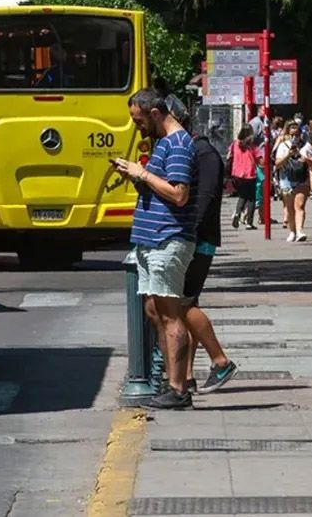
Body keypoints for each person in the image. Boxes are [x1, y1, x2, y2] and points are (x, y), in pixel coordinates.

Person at [111, 89, 198, 410]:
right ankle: (170, 380)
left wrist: (143, 173)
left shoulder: (177, 145)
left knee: (171, 314)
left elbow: (179, 195)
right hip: (153, 240)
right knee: (153, 310)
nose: (137, 127)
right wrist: (138, 177)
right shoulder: (165, 144)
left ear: (156, 113)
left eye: (138, 119)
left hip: (168, 238)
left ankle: (178, 387)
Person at [178, 101, 241, 394]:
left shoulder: (204, 154)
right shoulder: (200, 152)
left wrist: (187, 235)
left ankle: (220, 360)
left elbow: (203, 200)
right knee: (187, 305)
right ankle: (187, 375)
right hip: (196, 239)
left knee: (184, 304)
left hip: (198, 241)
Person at [274, 120, 312, 242]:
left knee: (299, 206)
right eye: (292, 135)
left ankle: (300, 231)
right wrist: (288, 155)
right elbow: (277, 164)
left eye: (297, 134)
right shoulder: (283, 146)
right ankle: (293, 231)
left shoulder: (306, 146)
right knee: (290, 208)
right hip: (286, 179)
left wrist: (304, 159)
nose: (295, 137)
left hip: (302, 179)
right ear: (288, 135)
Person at [227, 127, 259, 229]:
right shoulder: (252, 144)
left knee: (242, 196)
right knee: (251, 198)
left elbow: (228, 156)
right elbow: (258, 158)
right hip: (249, 173)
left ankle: (237, 213)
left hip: (237, 174)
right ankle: (249, 222)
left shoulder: (235, 143)